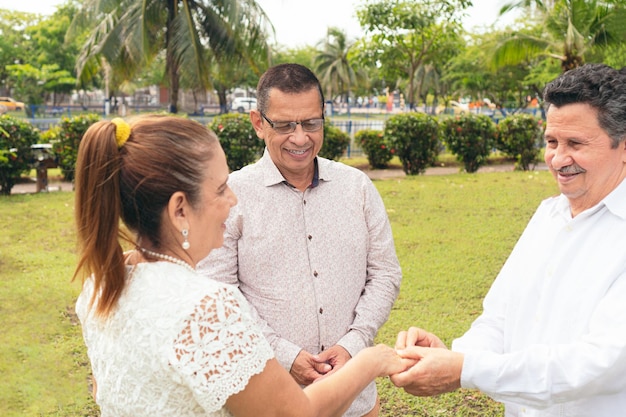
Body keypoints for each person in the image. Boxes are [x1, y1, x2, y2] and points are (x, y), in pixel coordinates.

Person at [73, 115, 409, 416]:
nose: (233, 200)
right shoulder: (207, 307)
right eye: (221, 189)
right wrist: (370, 361)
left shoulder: (101, 287)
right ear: (179, 211)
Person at [390, 63, 626, 416]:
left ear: (622, 147)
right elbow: (498, 318)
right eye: (551, 142)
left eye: (575, 143)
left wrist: (465, 370)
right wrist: (456, 357)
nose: (559, 159)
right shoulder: (548, 216)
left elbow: (596, 364)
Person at [196, 63, 402, 417]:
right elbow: (219, 294)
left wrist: (353, 344)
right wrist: (283, 354)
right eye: (285, 125)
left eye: (311, 123)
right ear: (258, 123)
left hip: (356, 400)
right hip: (267, 400)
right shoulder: (231, 195)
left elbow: (385, 274)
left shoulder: (357, 188)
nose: (300, 137)